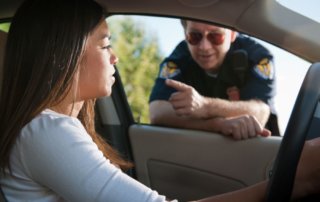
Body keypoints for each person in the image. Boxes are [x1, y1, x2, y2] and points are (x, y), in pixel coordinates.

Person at [0, 0, 319, 201]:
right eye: (105, 44)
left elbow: (262, 109)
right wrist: (291, 181)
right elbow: (158, 110)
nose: (116, 57)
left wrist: (208, 110)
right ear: (63, 56)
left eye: (216, 36)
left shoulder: (48, 128)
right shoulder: (47, 132)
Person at [149, 20, 280, 140]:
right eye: (195, 36)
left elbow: (261, 112)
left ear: (233, 34)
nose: (204, 47)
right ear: (185, 34)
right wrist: (215, 125)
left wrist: (204, 106)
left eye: (215, 36)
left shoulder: (256, 56)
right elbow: (157, 111)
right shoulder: (180, 57)